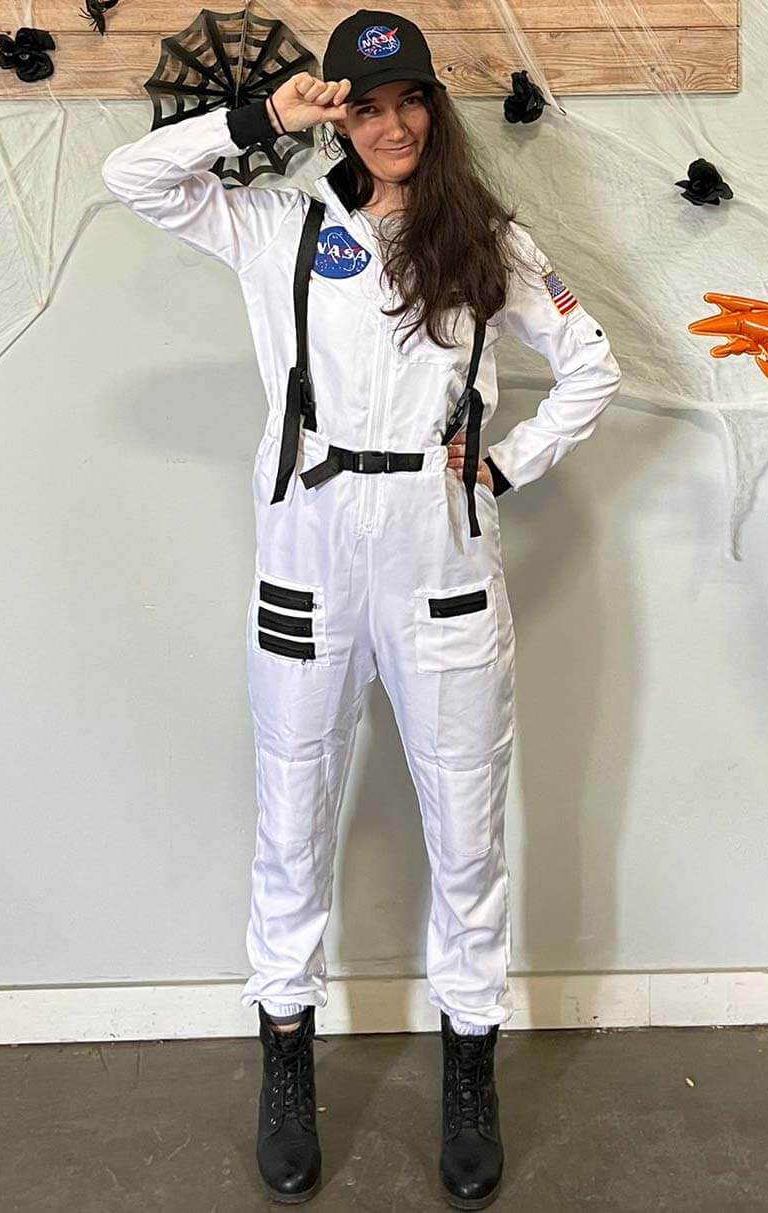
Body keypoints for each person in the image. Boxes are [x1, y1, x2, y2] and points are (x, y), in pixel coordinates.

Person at [102, 8, 621, 1206]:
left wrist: (506, 465)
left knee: (467, 827)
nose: (392, 126)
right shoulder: (278, 221)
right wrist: (260, 116)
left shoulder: (483, 236)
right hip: (308, 546)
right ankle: (286, 1053)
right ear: (338, 114)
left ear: (434, 108)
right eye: (367, 106)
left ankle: (469, 1064)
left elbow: (591, 363)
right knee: (291, 809)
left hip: (439, 557)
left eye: (409, 102)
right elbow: (136, 177)